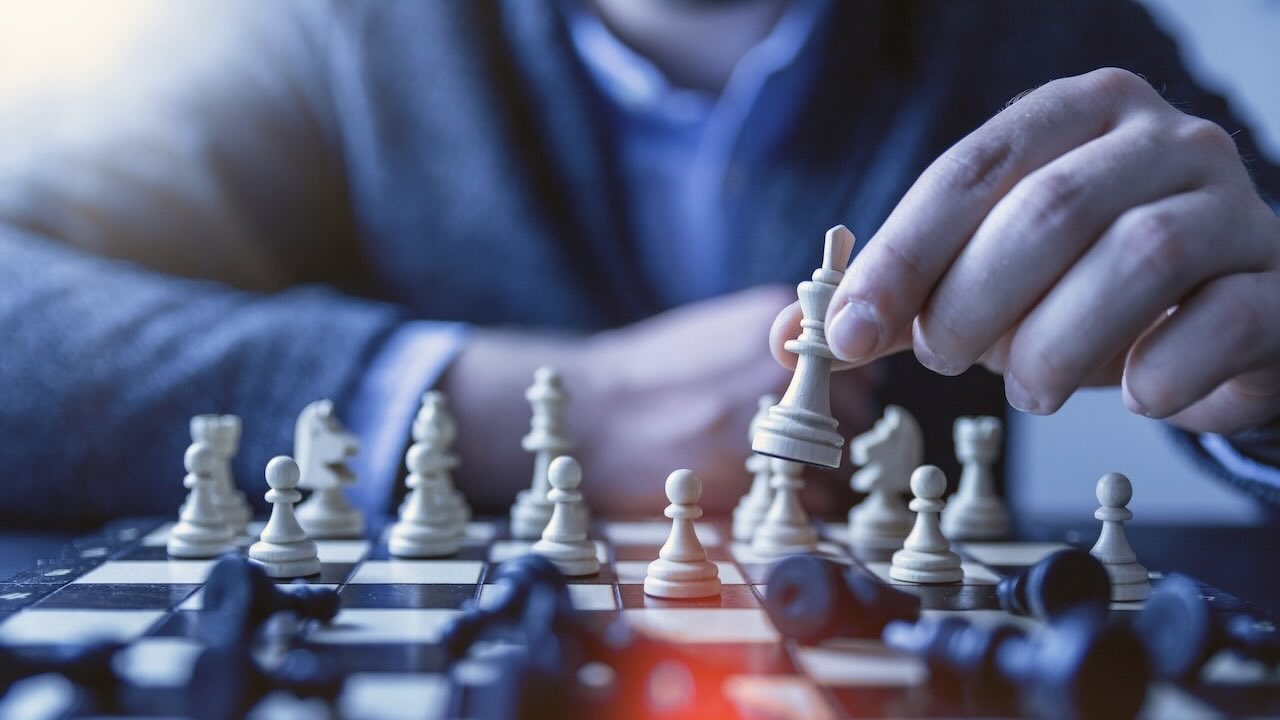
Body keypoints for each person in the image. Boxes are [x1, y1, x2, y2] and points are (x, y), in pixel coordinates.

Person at [0, 0, 1276, 526]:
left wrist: (1268, 393)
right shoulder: (315, 36)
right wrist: (517, 409)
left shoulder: (1039, 33)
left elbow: (1245, 276)